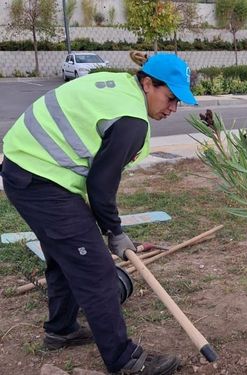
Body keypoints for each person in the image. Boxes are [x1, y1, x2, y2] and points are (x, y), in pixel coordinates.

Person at [1, 52, 197, 374]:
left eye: (179, 102)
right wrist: (115, 233)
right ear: (148, 83)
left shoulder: (121, 87)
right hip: (40, 180)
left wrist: (107, 228)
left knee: (66, 255)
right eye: (171, 98)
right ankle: (124, 361)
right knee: (96, 271)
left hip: (27, 170)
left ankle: (61, 330)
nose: (173, 109)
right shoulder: (132, 119)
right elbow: (101, 187)